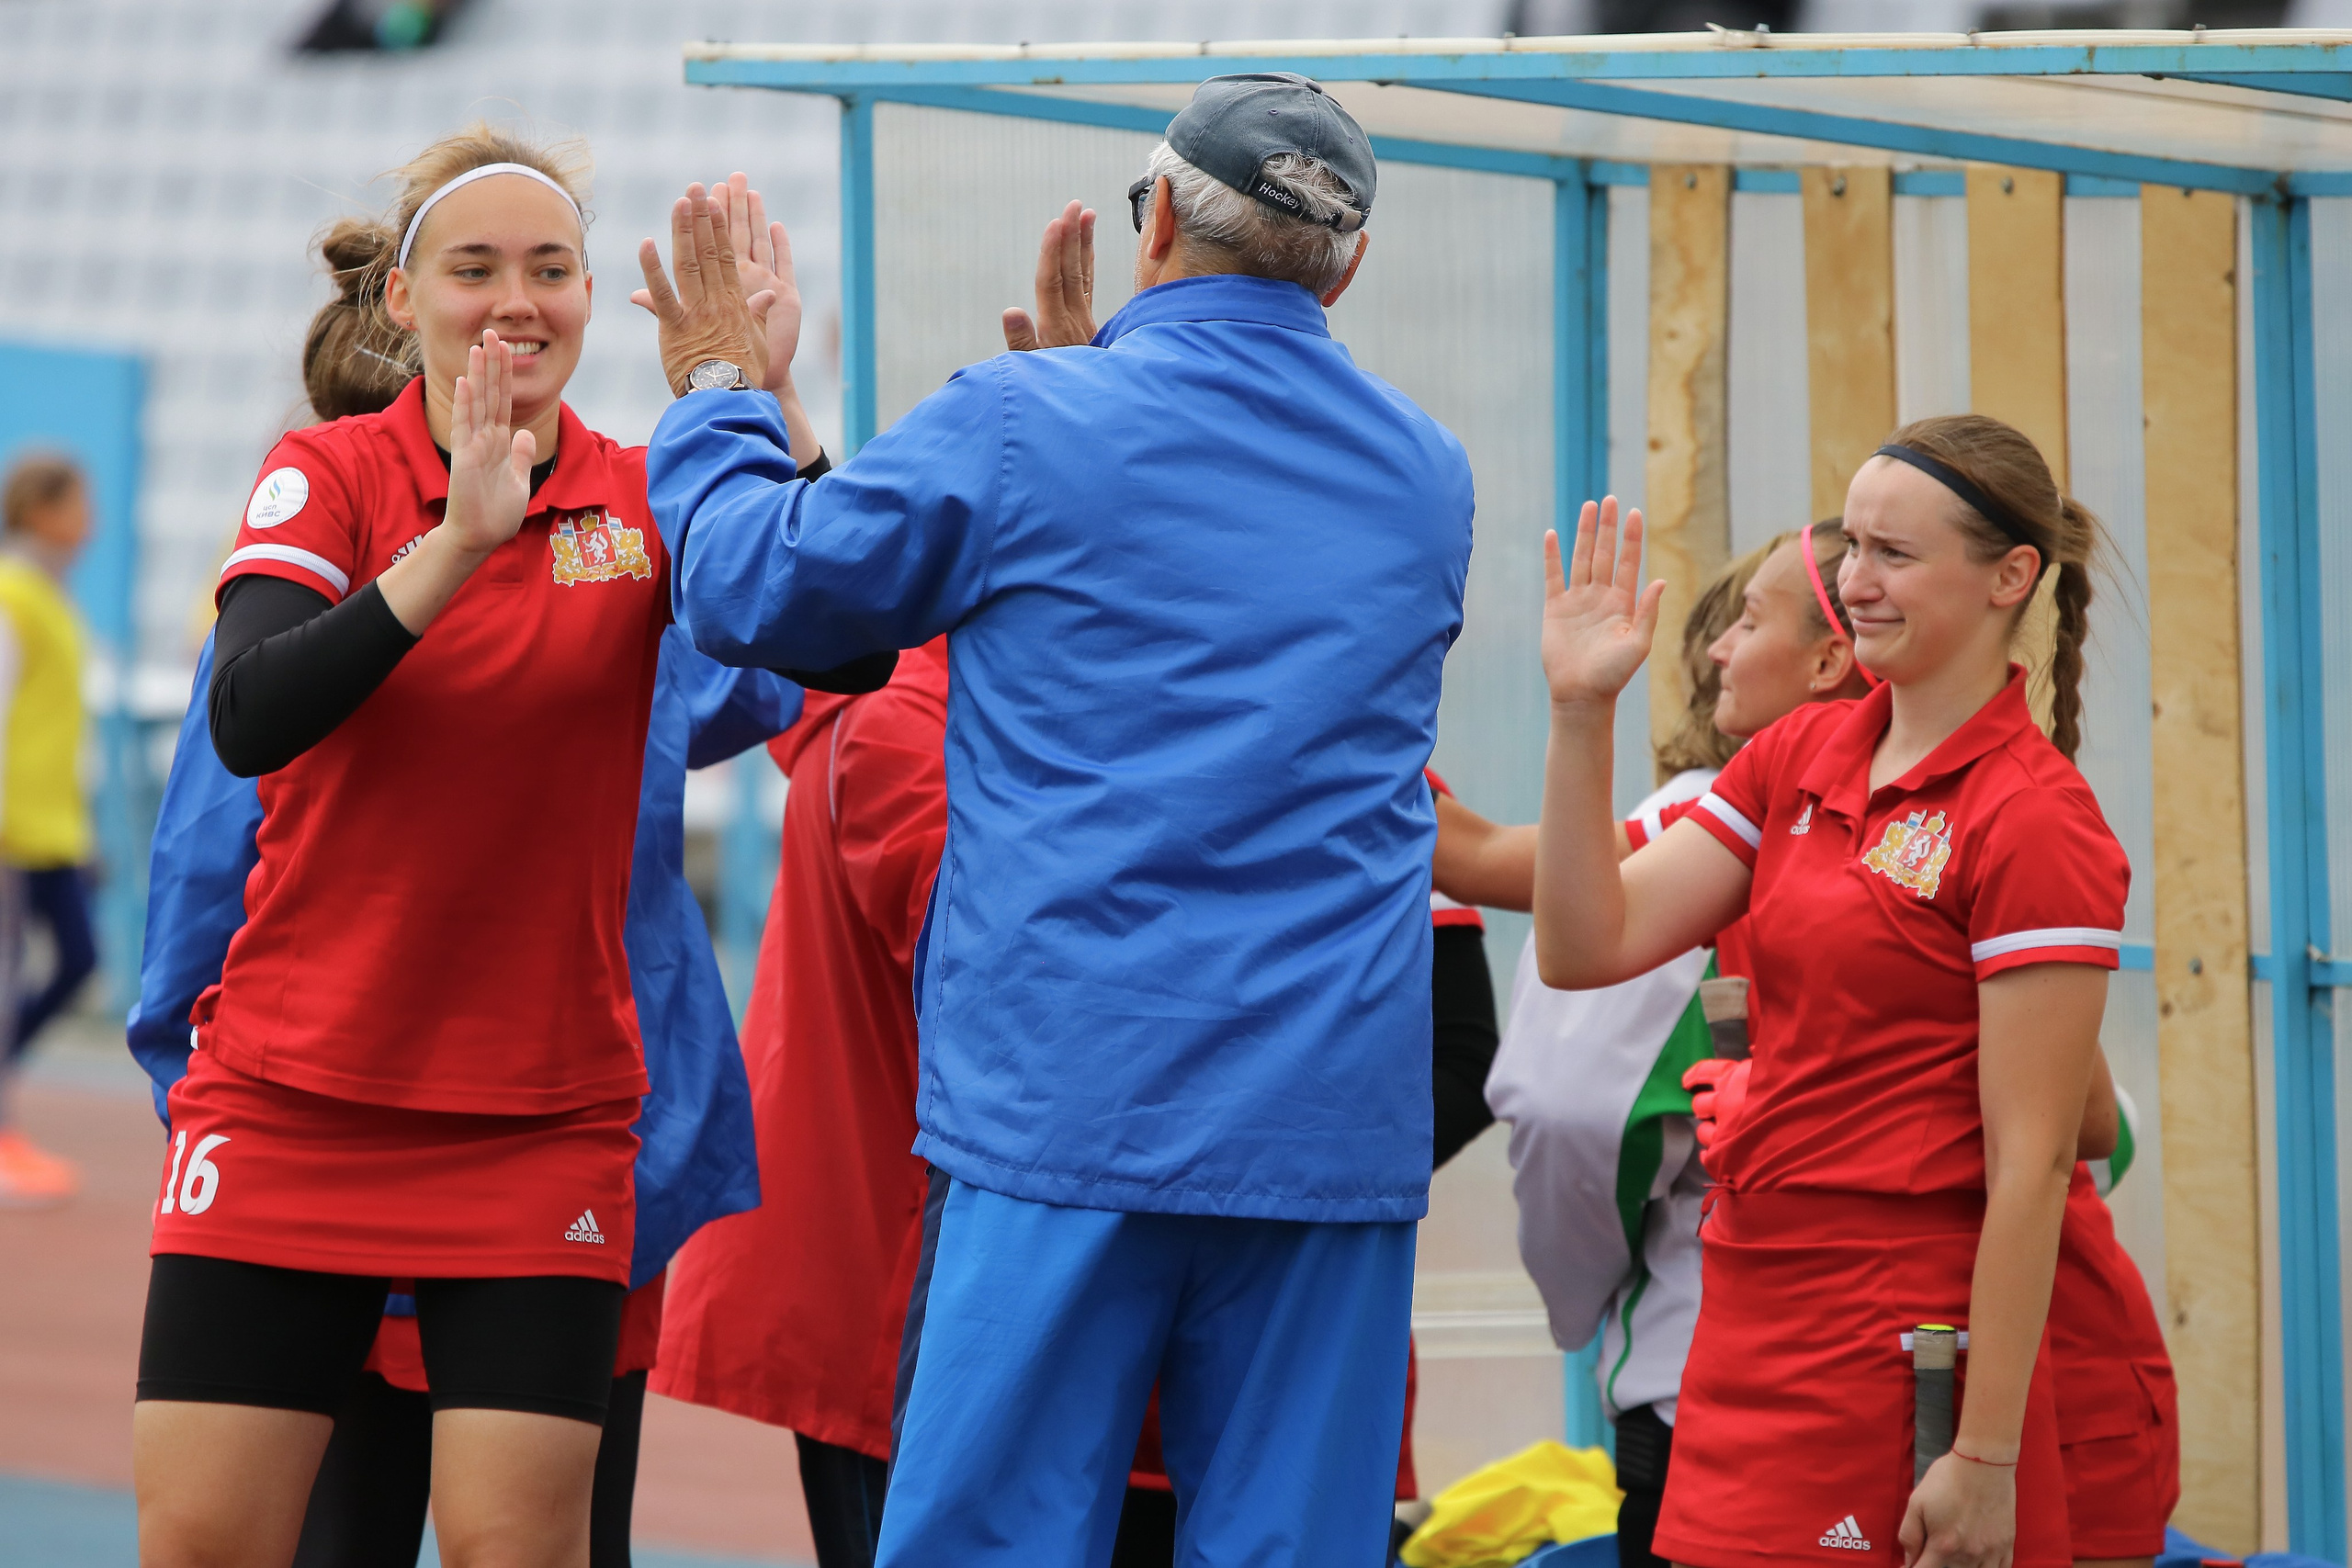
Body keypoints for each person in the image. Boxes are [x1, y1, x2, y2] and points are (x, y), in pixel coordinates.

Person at [637, 70, 1473, 1567]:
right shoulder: (1426, 471)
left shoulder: (1032, 423)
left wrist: (719, 391)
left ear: (1152, 221)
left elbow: (755, 587)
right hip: (1327, 1111)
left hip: (1073, 1098)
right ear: (1348, 265)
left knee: (991, 1542)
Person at [130, 127, 861, 1568]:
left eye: (553, 269)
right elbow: (252, 711)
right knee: (212, 1543)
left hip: (543, 1123)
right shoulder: (326, 473)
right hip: (290, 1098)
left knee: (521, 1550)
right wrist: (456, 542)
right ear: (402, 302)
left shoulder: (644, 502)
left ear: (599, 301)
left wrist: (771, 408)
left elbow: (843, 633)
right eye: (475, 269)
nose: (517, 300)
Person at [1532, 416, 2125, 1568]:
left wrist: (1986, 1454)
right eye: (1851, 547)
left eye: (1893, 554)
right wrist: (1577, 712)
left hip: (1900, 1344)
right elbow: (1585, 943)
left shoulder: (2033, 816)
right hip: (1748, 1314)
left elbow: (2037, 1163)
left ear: (2011, 575)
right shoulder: (1797, 756)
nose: (1855, 582)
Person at [127, 619, 791, 1568]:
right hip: (447, 1142)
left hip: (486, 1139)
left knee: (408, 1531)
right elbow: (771, 662)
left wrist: (203, 1099)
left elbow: (203, 868)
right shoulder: (615, 581)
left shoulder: (611, 570)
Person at [0, 452, 97, 1205]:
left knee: (75, 959)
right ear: (38, 510)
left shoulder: (51, 596)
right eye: (77, 502)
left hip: (49, 825)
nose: (89, 518)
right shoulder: (12, 593)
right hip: (11, 827)